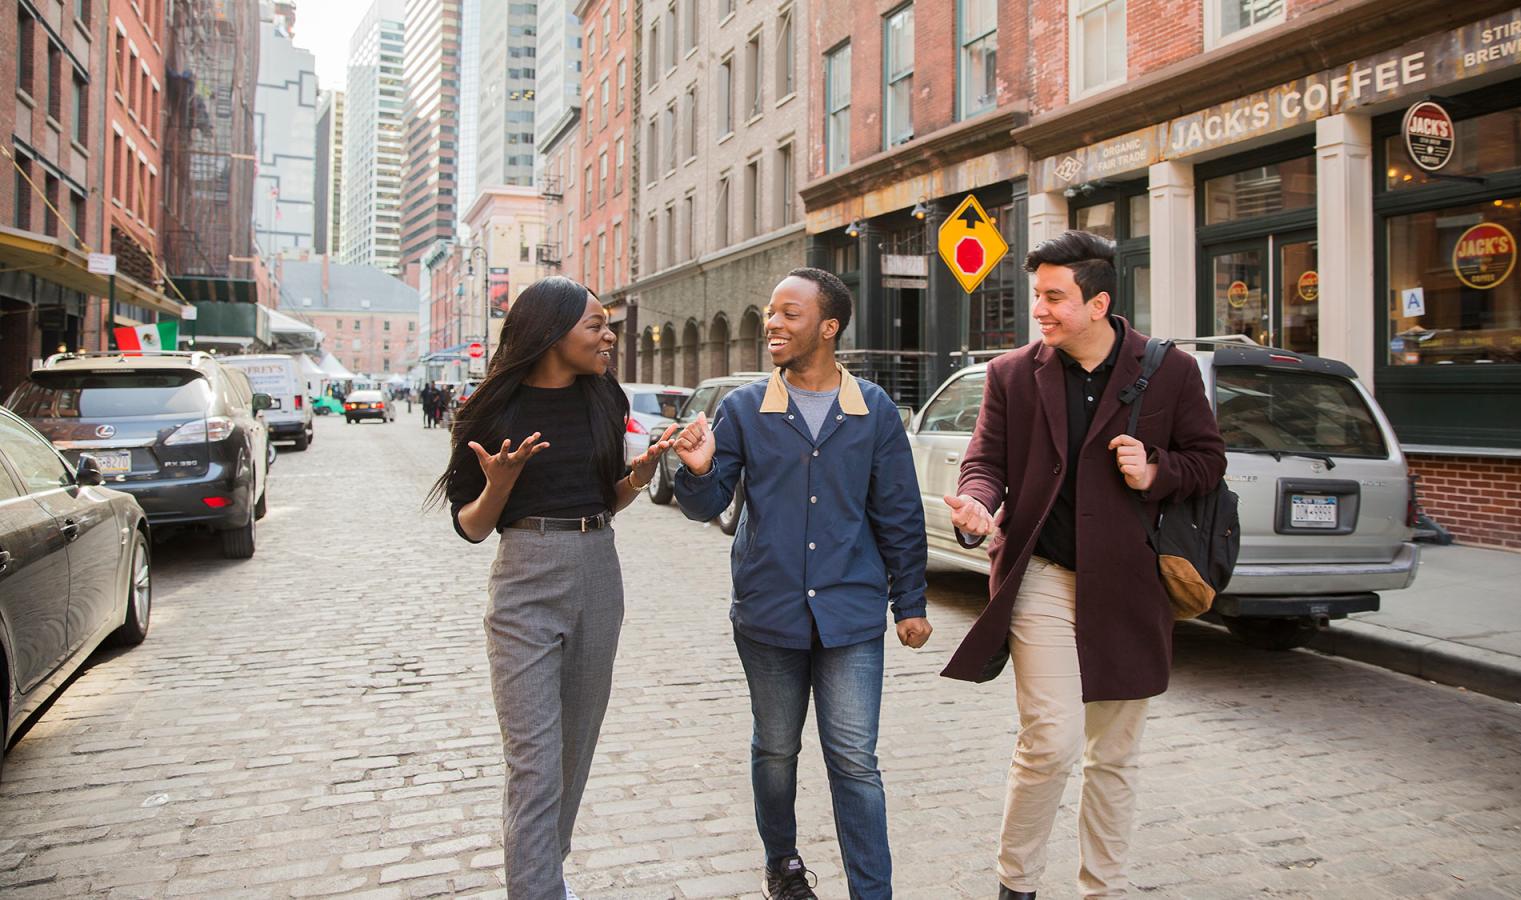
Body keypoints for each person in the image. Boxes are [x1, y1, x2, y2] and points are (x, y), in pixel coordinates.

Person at [939, 231, 1226, 899]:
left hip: (1131, 588)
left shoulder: (1170, 370)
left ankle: (1104, 888)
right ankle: (1018, 884)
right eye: (1036, 295)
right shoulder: (1013, 374)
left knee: (1114, 755)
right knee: (1052, 740)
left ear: (1098, 303)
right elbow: (985, 462)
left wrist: (1155, 469)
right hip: (1042, 575)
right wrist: (978, 505)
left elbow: (1208, 462)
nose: (1039, 309)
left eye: (1053, 297)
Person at [670, 267, 931, 900]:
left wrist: (911, 602)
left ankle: (873, 891)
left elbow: (898, 511)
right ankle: (783, 865)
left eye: (790, 314)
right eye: (770, 313)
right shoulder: (743, 409)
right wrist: (698, 471)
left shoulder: (874, 411)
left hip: (851, 614)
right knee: (777, 750)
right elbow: (706, 508)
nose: (773, 324)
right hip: (769, 612)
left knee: (855, 763)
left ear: (829, 326)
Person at [427, 276, 679, 900]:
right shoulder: (490, 411)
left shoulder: (604, 398)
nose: (609, 335)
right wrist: (501, 485)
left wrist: (637, 478)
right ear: (551, 334)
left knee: (574, 749)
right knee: (535, 761)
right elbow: (472, 526)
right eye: (595, 325)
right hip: (525, 580)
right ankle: (538, 887)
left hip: (599, 569)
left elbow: (605, 500)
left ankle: (544, 866)